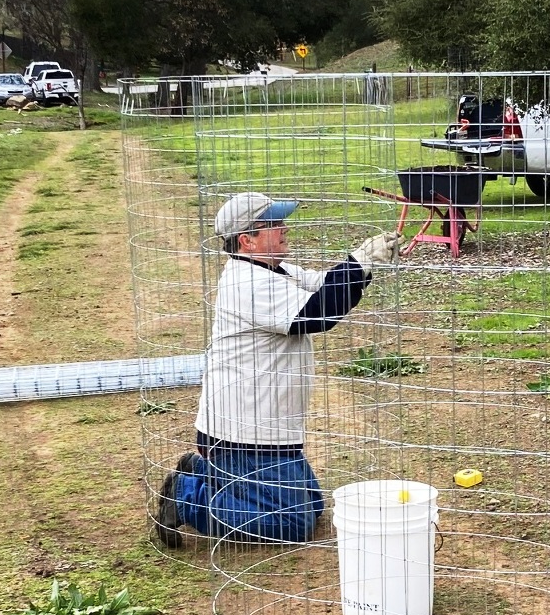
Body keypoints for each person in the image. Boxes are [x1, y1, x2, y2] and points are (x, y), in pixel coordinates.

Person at [154, 192, 402, 548]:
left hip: (265, 425)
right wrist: (358, 262)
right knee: (291, 524)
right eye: (273, 224)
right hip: (244, 430)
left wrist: (364, 262)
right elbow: (318, 313)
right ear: (247, 240)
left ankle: (207, 473)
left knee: (312, 507)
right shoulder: (247, 284)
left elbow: (322, 285)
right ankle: (187, 496)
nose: (284, 229)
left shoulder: (272, 269)